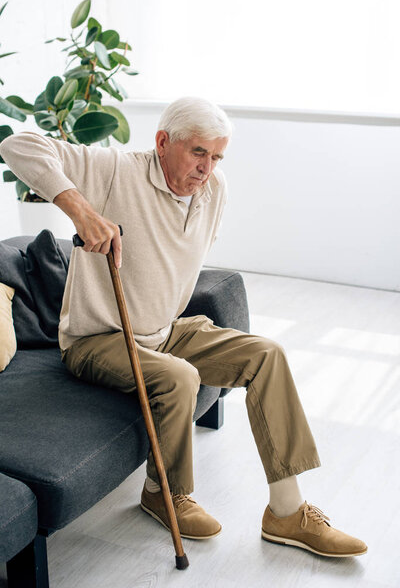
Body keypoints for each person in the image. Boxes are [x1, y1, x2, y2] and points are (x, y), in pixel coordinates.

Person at [0, 96, 367, 557]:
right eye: (198, 153)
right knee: (180, 375)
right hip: (98, 340)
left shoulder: (215, 191)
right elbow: (18, 144)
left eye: (216, 157)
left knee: (266, 354)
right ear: (162, 142)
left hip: (166, 329)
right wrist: (81, 210)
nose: (206, 168)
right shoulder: (116, 169)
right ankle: (164, 493)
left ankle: (287, 512)